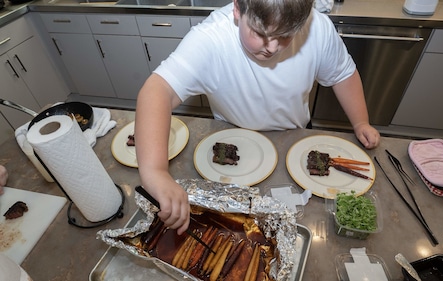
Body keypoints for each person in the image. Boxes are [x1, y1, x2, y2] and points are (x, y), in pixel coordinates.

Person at [135, 0, 381, 234]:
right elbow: (158, 90)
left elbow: (342, 74)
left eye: (285, 36)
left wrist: (360, 121)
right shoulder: (211, 38)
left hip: (293, 143)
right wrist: (155, 172)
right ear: (237, 9)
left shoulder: (318, 28)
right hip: (232, 145)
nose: (272, 47)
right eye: (261, 33)